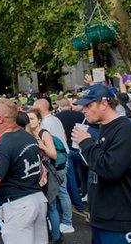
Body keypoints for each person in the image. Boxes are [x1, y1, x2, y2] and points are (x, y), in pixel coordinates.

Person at [0, 98, 47, 244]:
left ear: (0, 119)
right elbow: (41, 171)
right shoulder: (29, 137)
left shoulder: (4, 144)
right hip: (38, 200)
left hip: (19, 206)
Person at [71, 84, 131, 244]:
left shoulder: (126, 129)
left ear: (104, 104)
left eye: (88, 105)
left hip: (121, 222)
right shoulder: (103, 128)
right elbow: (97, 163)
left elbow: (110, 168)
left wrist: (86, 143)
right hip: (101, 219)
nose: (84, 110)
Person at [33, 98, 73, 234]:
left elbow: (51, 150)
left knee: (60, 192)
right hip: (64, 157)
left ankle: (67, 222)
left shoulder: (46, 124)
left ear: (40, 109)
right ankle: (63, 220)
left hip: (58, 162)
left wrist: (43, 146)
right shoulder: (55, 119)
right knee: (61, 191)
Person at [26, 108, 62, 243]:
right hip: (37, 174)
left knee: (51, 205)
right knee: (42, 207)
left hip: (48, 173)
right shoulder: (28, 133)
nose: (30, 122)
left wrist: (42, 146)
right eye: (28, 119)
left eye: (32, 119)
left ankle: (57, 236)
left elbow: (54, 154)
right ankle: (46, 235)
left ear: (39, 120)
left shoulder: (44, 133)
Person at [54, 98, 87, 213]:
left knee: (71, 178)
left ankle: (78, 204)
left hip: (67, 149)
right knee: (84, 173)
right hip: (80, 147)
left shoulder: (57, 117)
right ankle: (86, 194)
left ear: (59, 105)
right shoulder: (80, 115)